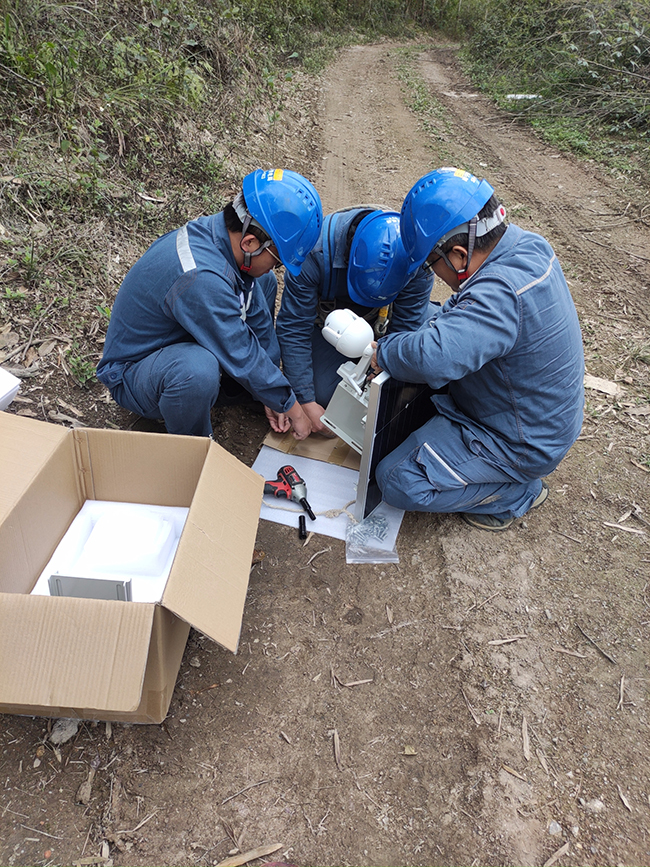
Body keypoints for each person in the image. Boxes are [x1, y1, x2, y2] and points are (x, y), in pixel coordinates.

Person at [371, 167, 584, 531]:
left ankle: (518, 493)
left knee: (396, 480)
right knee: (431, 320)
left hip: (518, 441)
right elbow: (458, 318)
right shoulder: (527, 245)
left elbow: (433, 357)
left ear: (457, 254)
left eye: (430, 263)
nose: (432, 272)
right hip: (534, 414)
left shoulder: (501, 294)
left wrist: (384, 352)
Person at [97, 168, 323, 439]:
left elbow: (254, 313)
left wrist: (274, 391)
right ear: (250, 242)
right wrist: (293, 407)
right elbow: (238, 347)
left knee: (262, 284)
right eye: (276, 262)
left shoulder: (222, 238)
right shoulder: (199, 275)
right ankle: (195, 448)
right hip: (136, 372)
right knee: (196, 370)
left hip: (177, 341)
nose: (275, 268)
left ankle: (245, 388)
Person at [275, 206, 433, 435]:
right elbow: (294, 329)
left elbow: (406, 326)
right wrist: (305, 401)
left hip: (385, 321)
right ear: (350, 259)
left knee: (423, 360)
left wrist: (385, 374)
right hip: (330, 324)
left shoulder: (418, 263)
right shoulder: (313, 252)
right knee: (326, 398)